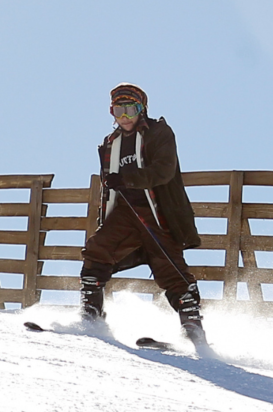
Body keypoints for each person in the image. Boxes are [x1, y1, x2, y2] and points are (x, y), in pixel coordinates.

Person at [79, 83, 206, 344]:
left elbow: (164, 170)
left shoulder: (159, 133)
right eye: (118, 111)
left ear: (142, 109)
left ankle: (193, 331)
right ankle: (91, 317)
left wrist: (126, 178)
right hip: (125, 212)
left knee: (170, 267)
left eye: (131, 109)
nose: (124, 117)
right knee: (97, 249)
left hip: (158, 212)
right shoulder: (111, 143)